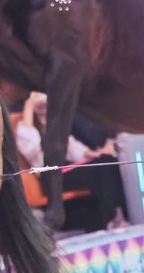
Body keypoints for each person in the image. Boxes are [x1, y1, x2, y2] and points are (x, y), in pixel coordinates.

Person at [16, 92, 127, 233]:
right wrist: (29, 106)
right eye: (39, 105)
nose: (43, 107)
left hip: (64, 170)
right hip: (49, 175)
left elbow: (73, 147)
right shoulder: (25, 127)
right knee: (99, 168)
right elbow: (32, 151)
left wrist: (93, 153)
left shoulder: (54, 125)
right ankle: (111, 219)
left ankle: (113, 216)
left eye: (45, 103)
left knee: (106, 161)